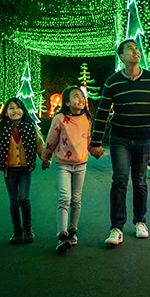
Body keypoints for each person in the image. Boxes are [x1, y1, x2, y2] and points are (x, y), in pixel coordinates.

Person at [91, 39, 150, 246]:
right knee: (120, 179)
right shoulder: (112, 81)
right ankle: (116, 227)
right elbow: (102, 111)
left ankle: (140, 222)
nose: (135, 51)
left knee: (140, 180)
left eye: (136, 48)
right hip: (120, 138)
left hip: (144, 137)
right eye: (130, 49)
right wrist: (96, 141)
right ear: (122, 57)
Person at [42, 86, 101, 252]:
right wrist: (46, 157)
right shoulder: (60, 119)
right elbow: (51, 140)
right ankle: (62, 234)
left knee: (76, 199)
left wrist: (94, 149)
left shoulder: (86, 118)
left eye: (82, 97)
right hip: (64, 165)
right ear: (67, 102)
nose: (80, 100)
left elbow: (87, 140)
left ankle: (73, 231)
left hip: (81, 165)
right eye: (76, 97)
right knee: (64, 198)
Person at [0, 97, 44, 245]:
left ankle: (28, 227)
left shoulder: (31, 126)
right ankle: (16, 230)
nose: (15, 111)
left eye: (18, 107)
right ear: (5, 113)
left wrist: (46, 158)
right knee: (13, 201)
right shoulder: (1, 129)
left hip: (25, 169)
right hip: (9, 170)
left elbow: (40, 144)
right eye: (11, 108)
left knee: (24, 199)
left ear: (23, 111)